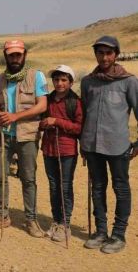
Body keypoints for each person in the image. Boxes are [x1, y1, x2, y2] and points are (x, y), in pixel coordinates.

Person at [81, 36, 138, 254]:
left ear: (116, 54)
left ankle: (118, 234)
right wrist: (83, 144)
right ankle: (101, 231)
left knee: (121, 189)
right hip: (92, 145)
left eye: (109, 53)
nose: (104, 57)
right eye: (100, 53)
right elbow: (84, 114)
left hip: (118, 146)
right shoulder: (88, 81)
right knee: (97, 188)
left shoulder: (129, 81)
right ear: (95, 54)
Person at [0, 39, 48, 237]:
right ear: (6, 56)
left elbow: (42, 105)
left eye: (18, 55)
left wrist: (15, 116)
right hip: (3, 135)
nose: (15, 58)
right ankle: (1, 215)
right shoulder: (0, 79)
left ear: (24, 55)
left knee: (28, 178)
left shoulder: (36, 76)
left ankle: (31, 219)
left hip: (27, 135)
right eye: (11, 55)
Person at [39, 65, 83, 243]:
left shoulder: (76, 102)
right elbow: (40, 122)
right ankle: (55, 221)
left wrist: (57, 121)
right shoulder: (47, 100)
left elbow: (79, 128)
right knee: (53, 186)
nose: (59, 83)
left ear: (71, 82)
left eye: (64, 80)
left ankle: (65, 224)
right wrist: (45, 124)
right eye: (56, 79)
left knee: (65, 187)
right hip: (49, 148)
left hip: (67, 150)